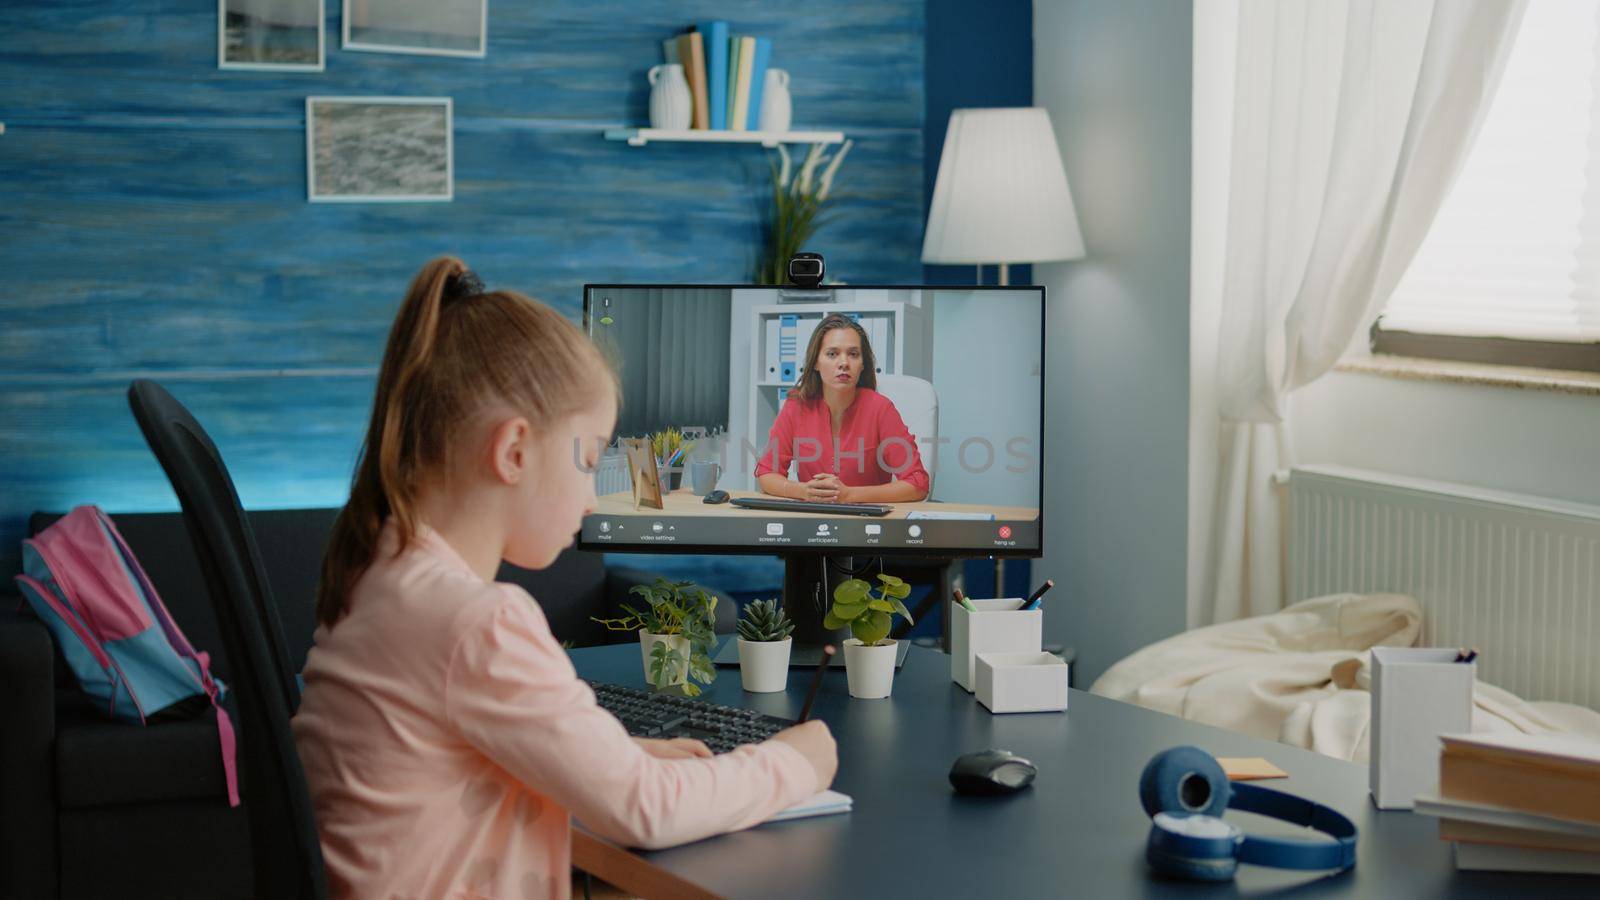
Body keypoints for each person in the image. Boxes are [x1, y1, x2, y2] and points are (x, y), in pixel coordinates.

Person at [291, 258, 836, 899]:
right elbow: (643, 809)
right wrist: (792, 764)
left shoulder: (380, 575)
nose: (592, 499)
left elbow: (453, 756)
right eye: (586, 458)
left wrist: (613, 753)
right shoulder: (478, 621)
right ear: (514, 451)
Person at [755, 313, 930, 503]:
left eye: (853, 354)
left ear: (863, 364)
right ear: (815, 362)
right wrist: (802, 491)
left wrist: (848, 495)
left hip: (868, 523)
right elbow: (766, 474)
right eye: (832, 354)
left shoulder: (881, 409)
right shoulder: (796, 406)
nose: (844, 363)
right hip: (813, 519)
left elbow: (917, 483)